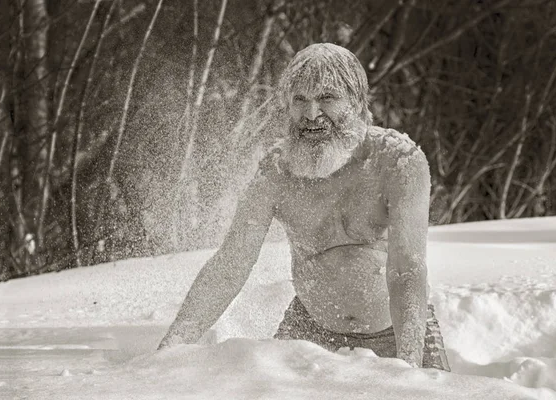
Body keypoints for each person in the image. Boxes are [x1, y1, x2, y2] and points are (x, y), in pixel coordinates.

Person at [158, 43, 450, 371]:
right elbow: (230, 264)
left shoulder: (397, 161)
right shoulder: (276, 170)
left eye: (327, 97)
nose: (312, 114)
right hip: (308, 330)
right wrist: (171, 348)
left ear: (356, 101)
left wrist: (409, 366)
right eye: (300, 99)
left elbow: (406, 270)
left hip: (398, 334)